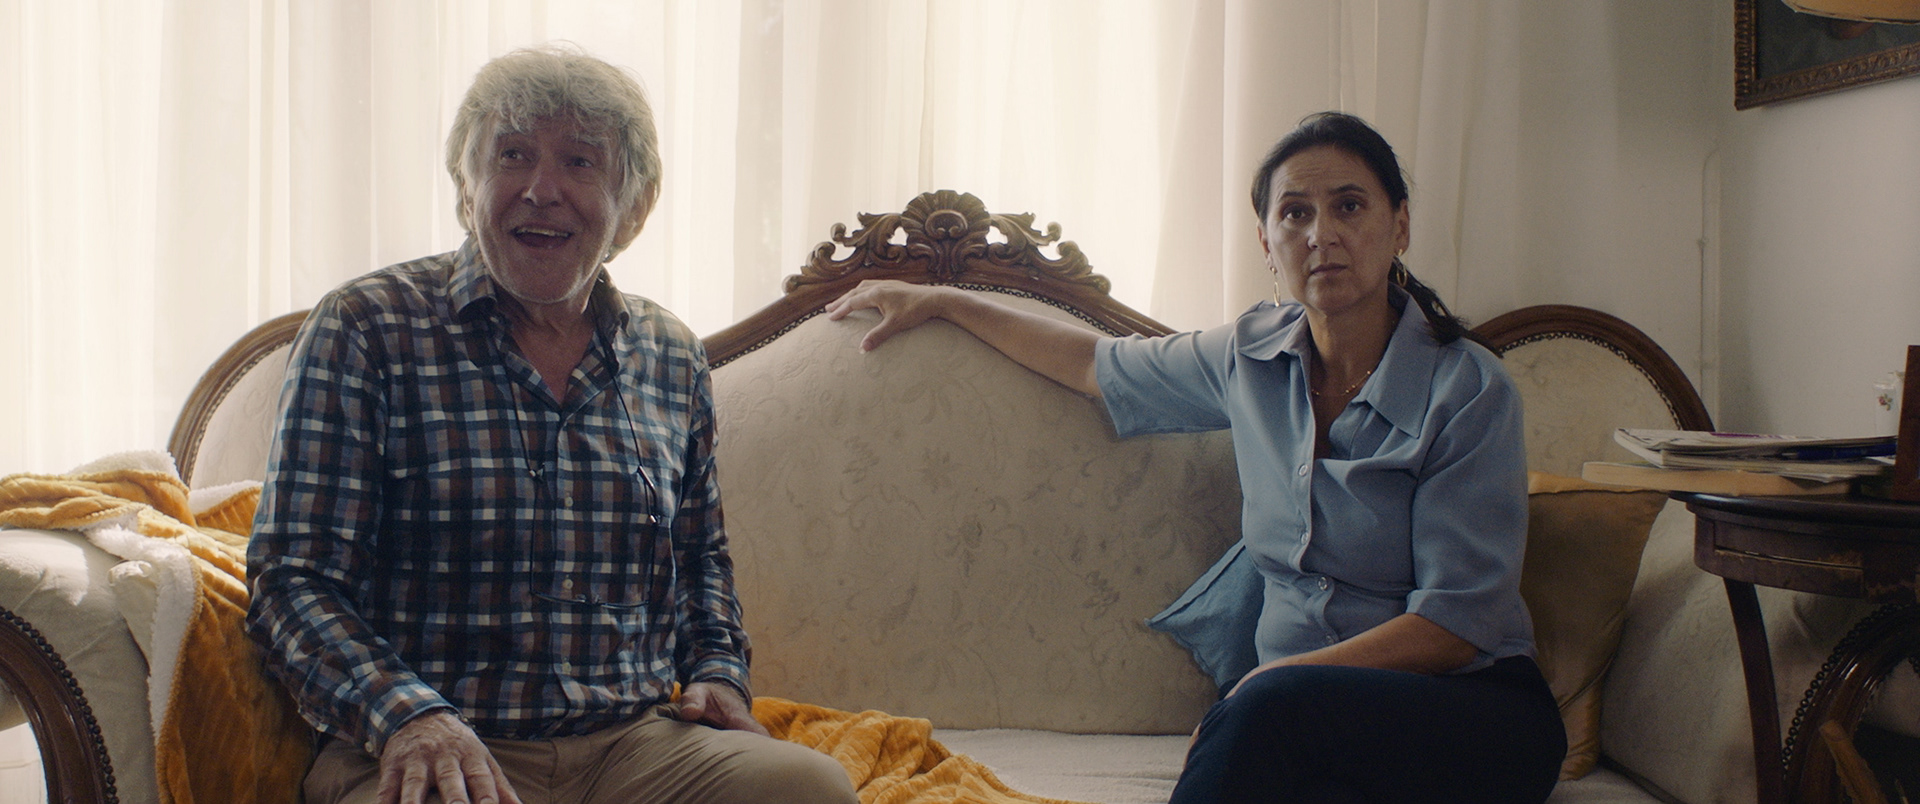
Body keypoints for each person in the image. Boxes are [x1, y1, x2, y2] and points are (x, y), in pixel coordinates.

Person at [825, 112, 1566, 802]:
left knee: (1270, 716)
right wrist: (944, 301)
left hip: (1472, 710)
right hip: (1301, 719)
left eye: (1349, 206)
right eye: (1295, 213)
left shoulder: (1468, 390)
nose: (1321, 234)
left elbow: (1453, 626)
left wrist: (1268, 684)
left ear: (1399, 225)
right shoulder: (1250, 355)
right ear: (1266, 241)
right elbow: (1093, 364)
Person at [247, 45, 857, 804]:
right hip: (433, 743)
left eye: (579, 161)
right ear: (466, 185)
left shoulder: (670, 354)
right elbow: (293, 581)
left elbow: (700, 560)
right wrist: (410, 715)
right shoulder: (366, 326)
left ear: (634, 205)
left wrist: (717, 672)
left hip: (632, 744)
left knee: (809, 787)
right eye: (512, 156)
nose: (541, 190)